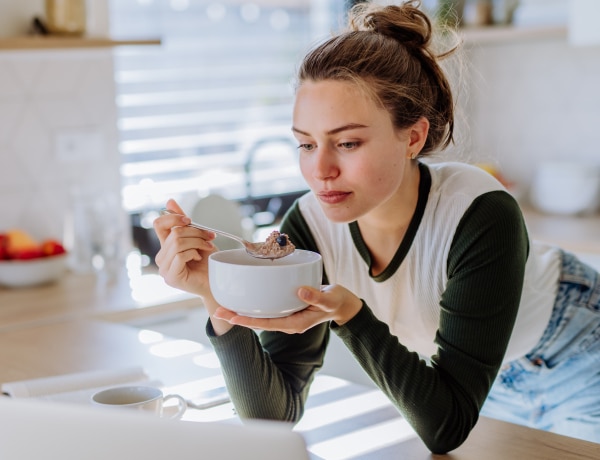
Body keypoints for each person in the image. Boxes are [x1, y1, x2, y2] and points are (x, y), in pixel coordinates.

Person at [153, 1, 600, 453]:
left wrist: (350, 314)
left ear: (413, 137)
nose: (320, 169)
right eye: (305, 144)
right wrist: (216, 293)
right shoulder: (308, 229)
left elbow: (446, 427)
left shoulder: (479, 213)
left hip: (577, 348)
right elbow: (274, 416)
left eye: (347, 142)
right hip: (480, 381)